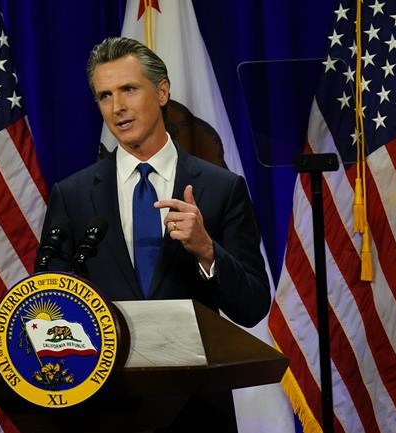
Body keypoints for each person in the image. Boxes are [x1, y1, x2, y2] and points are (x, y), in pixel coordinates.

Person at [37, 36, 270, 433]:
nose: (117, 107)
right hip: (104, 406)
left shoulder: (221, 188)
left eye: (129, 89)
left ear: (162, 92)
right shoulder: (72, 195)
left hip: (198, 409)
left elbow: (253, 305)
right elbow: (49, 301)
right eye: (105, 95)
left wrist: (207, 251)